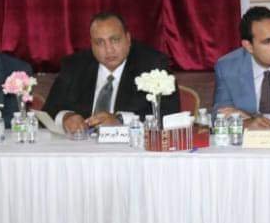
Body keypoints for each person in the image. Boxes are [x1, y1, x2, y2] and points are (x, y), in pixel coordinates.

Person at [44, 12, 180, 133]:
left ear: (128, 39)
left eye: (115, 40)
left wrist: (120, 120)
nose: (109, 50)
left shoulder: (153, 64)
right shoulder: (74, 65)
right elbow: (48, 111)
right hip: (81, 146)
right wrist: (65, 117)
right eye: (99, 42)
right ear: (91, 44)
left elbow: (169, 114)